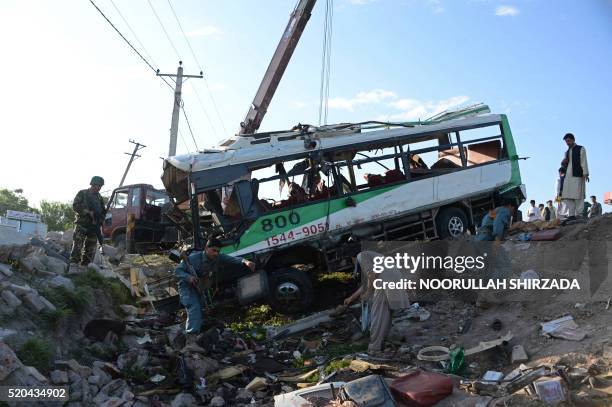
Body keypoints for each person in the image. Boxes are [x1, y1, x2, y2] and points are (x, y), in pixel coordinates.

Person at [174, 237, 255, 335]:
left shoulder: (218, 257)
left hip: (200, 287)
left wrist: (246, 262)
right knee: (194, 307)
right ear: (206, 249)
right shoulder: (193, 258)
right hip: (186, 287)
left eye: (218, 251)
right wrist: (189, 277)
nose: (216, 253)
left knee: (204, 310)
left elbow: (232, 259)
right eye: (214, 250)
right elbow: (177, 271)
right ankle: (191, 338)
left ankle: (198, 333)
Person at [342, 250, 411, 354]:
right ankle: (382, 342)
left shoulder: (361, 256)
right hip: (393, 278)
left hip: (385, 282)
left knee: (377, 316)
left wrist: (368, 294)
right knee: (385, 316)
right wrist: (351, 298)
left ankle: (375, 348)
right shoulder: (371, 256)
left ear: (352, 259)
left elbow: (372, 276)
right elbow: (366, 283)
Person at [70, 176, 106, 269]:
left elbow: (103, 212)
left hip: (94, 226)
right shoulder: (83, 193)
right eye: (96, 185)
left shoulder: (99, 198)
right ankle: (73, 266)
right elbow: (75, 206)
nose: (98, 188)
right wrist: (88, 212)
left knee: (91, 248)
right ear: (92, 184)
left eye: (100, 186)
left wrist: (100, 221)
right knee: (77, 245)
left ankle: (85, 267)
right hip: (82, 224)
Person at [560, 133, 589, 219]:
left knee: (578, 195)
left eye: (568, 141)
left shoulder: (581, 148)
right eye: (566, 142)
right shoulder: (567, 151)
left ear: (573, 140)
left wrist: (585, 173)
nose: (567, 143)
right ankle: (571, 214)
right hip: (568, 176)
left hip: (578, 175)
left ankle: (579, 214)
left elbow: (584, 161)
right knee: (567, 195)